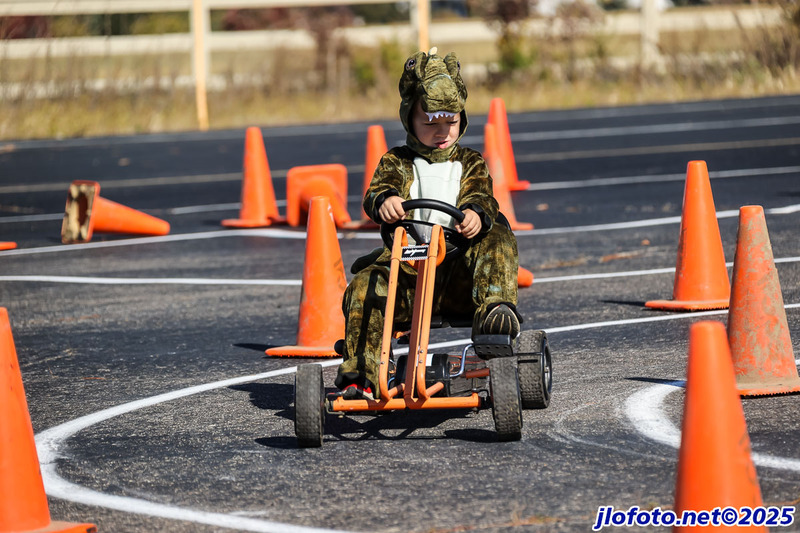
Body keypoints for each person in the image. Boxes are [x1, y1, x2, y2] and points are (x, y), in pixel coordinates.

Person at [335, 47, 521, 400]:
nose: (442, 132)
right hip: (408, 275)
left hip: (459, 279)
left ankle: (495, 313)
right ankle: (361, 373)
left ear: (460, 120)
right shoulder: (397, 161)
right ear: (410, 119)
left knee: (497, 232)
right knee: (365, 283)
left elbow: (482, 196)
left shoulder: (470, 162)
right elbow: (377, 191)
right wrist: (386, 201)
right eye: (430, 123)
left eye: (449, 123)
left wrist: (475, 215)